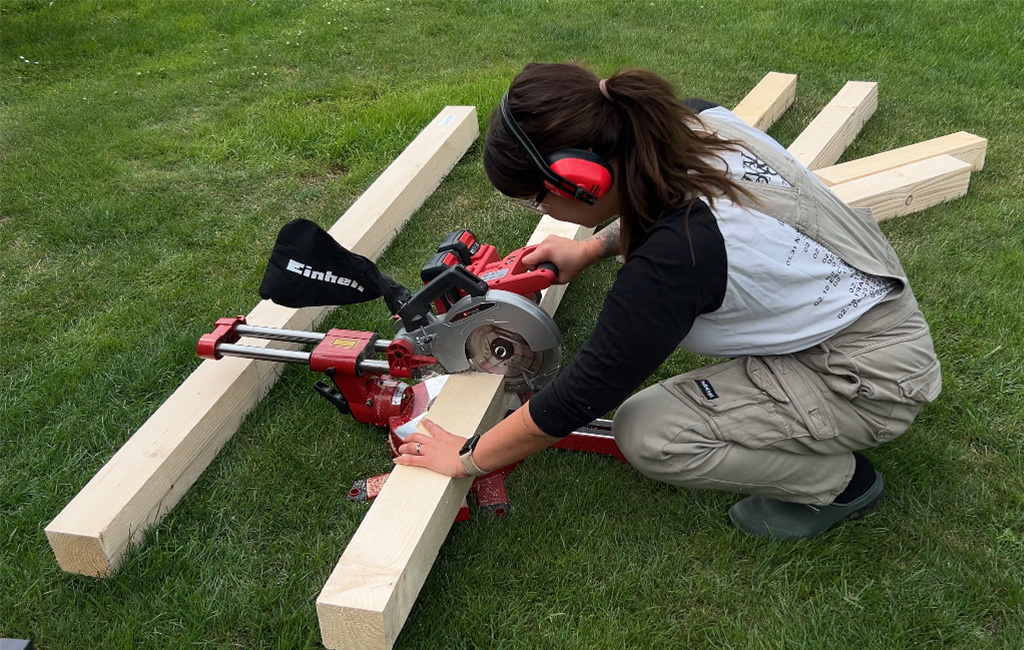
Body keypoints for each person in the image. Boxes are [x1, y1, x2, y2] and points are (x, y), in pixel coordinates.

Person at [394, 63, 942, 540]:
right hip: (863, 313)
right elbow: (657, 197)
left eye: (535, 197)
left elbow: (582, 392)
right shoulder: (690, 122)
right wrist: (592, 247)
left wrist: (466, 456)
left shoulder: (675, 259)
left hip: (865, 378)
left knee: (648, 432)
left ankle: (842, 485)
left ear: (580, 180)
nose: (536, 206)